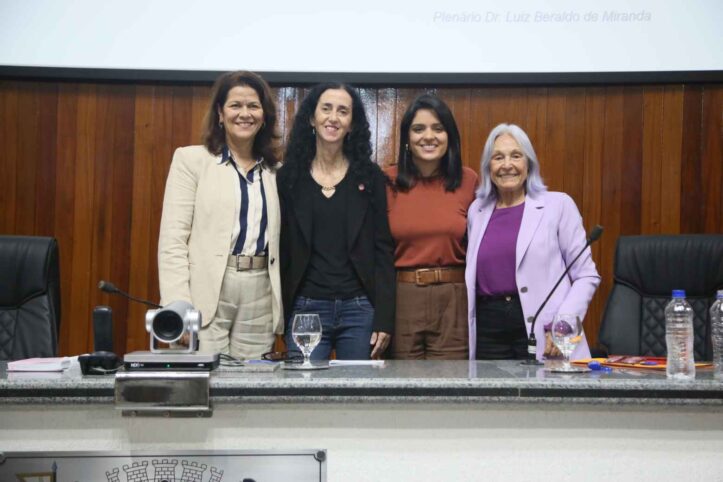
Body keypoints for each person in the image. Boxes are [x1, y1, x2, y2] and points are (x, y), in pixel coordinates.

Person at [158, 71, 283, 359]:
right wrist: (178, 304)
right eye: (235, 105)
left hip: (261, 294)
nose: (244, 114)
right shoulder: (191, 161)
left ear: (264, 116)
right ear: (220, 113)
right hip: (205, 292)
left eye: (253, 106)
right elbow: (173, 240)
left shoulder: (276, 171)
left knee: (253, 383)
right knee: (203, 381)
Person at [278, 83, 395, 360]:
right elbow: (282, 249)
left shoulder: (370, 177)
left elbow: (383, 250)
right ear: (312, 118)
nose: (333, 118)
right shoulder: (288, 177)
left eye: (343, 111)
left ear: (352, 124)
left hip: (359, 309)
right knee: (303, 387)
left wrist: (384, 318)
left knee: (355, 389)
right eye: (326, 109)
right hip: (305, 308)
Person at [465, 123, 600, 361]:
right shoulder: (477, 210)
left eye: (516, 156)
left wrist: (563, 327)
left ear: (529, 164)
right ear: (488, 167)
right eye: (498, 157)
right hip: (488, 330)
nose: (507, 165)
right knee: (489, 387)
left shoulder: (558, 205)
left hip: (544, 330)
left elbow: (586, 275)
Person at [385, 94, 478, 359]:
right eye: (418, 129)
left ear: (450, 136)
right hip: (403, 298)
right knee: (403, 382)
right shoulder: (387, 180)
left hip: (453, 298)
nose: (429, 136)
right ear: (407, 137)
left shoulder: (468, 180)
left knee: (450, 382)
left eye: (438, 128)